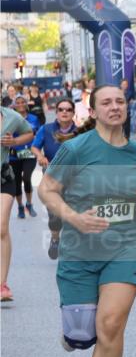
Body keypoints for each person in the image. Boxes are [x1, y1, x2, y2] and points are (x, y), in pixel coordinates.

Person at [37, 84, 136, 357]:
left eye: (120, 101)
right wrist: (73, 217)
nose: (114, 106)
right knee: (80, 335)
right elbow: (47, 189)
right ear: (92, 112)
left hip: (125, 248)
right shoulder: (75, 149)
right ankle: (73, 334)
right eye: (106, 102)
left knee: (111, 323)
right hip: (79, 251)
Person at [32, 98, 80, 259]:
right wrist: (40, 156)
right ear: (56, 112)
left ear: (73, 113)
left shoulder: (81, 132)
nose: (64, 112)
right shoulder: (46, 129)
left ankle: (73, 246)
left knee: (73, 211)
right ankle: (55, 239)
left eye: (68, 109)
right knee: (54, 215)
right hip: (51, 178)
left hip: (74, 178)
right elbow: (35, 147)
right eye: (61, 109)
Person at [0, 105, 37, 302]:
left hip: (3, 177)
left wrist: (13, 142)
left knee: (2, 228)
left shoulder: (11, 116)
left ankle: (2, 284)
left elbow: (29, 133)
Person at [10, 95, 40, 219]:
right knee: (17, 182)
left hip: (29, 153)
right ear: (14, 105)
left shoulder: (34, 118)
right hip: (14, 155)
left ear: (26, 104)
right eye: (18, 102)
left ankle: (29, 203)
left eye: (23, 102)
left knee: (26, 177)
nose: (21, 104)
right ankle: (20, 206)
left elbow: (38, 133)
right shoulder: (10, 119)